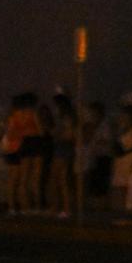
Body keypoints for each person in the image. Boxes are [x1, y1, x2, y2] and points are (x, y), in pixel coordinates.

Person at [110, 103, 132, 216]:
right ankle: (120, 212)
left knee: (131, 188)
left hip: (130, 159)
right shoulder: (121, 128)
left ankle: (131, 213)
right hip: (121, 160)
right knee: (120, 186)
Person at [46, 91, 77, 219]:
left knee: (62, 179)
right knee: (57, 179)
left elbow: (69, 135)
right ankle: (57, 208)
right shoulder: (62, 116)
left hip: (63, 149)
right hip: (60, 148)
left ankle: (65, 209)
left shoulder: (66, 117)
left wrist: (56, 135)